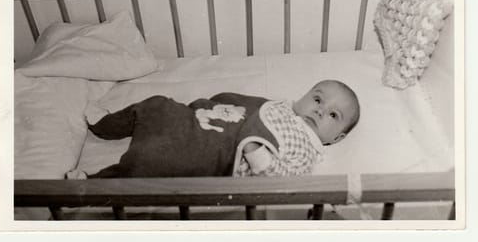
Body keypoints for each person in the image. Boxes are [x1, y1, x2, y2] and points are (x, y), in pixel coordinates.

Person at [66, 79, 360, 179]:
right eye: (318, 98)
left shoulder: (308, 149)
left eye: (333, 114)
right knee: (158, 106)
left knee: (151, 159)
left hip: (219, 153)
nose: (320, 109)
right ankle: (106, 125)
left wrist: (256, 152)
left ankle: (92, 184)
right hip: (210, 123)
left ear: (338, 137)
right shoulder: (280, 108)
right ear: (305, 95)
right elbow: (245, 106)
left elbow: (282, 179)